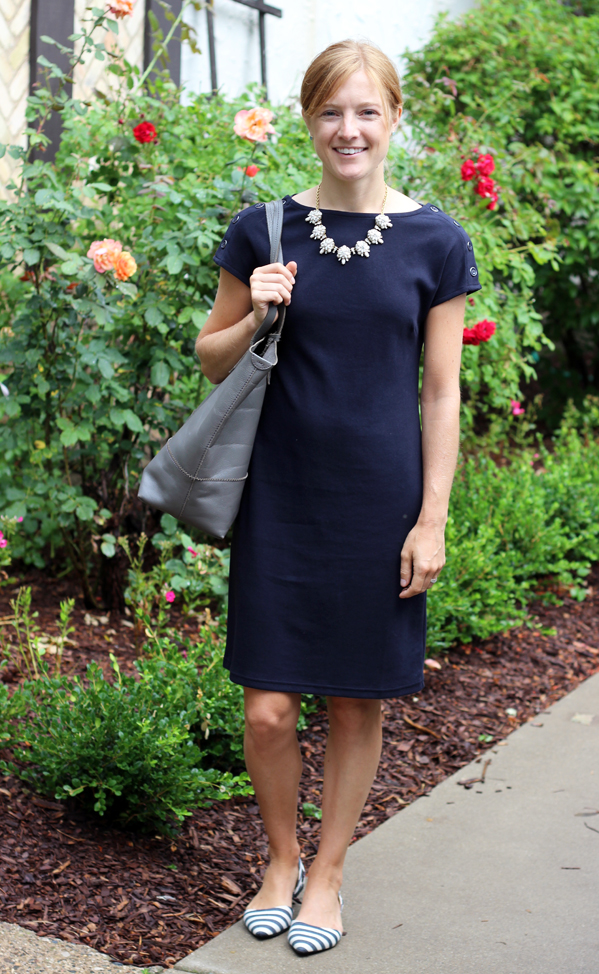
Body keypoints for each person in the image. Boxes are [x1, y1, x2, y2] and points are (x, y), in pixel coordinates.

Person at [195, 39, 482, 956]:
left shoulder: (437, 241)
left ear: (395, 118)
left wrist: (431, 518)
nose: (348, 129)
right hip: (281, 498)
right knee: (268, 708)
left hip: (380, 503)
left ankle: (326, 874)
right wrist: (254, 313)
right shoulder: (263, 231)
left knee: (359, 701)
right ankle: (279, 860)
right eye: (331, 112)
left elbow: (442, 391)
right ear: (307, 120)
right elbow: (208, 358)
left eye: (366, 111)